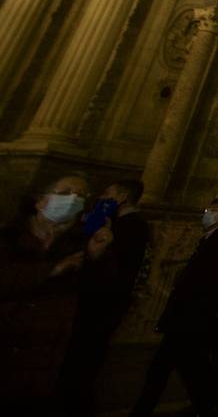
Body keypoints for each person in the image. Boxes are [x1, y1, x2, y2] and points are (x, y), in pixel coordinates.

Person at [0, 174, 115, 416]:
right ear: (41, 201)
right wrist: (52, 270)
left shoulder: (82, 244)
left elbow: (96, 298)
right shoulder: (8, 237)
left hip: (48, 359)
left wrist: (96, 257)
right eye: (65, 193)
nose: (74, 199)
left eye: (82, 196)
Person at [130, 195, 218, 417]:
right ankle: (206, 404)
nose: (207, 212)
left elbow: (210, 280)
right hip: (189, 316)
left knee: (169, 366)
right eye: (208, 208)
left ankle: (146, 409)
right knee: (188, 365)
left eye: (214, 209)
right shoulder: (213, 238)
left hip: (190, 316)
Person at [61, 178, 150, 415]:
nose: (102, 198)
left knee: (87, 350)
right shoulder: (118, 222)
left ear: (122, 197)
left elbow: (117, 265)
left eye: (107, 193)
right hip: (101, 295)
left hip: (106, 297)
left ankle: (77, 400)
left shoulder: (132, 225)